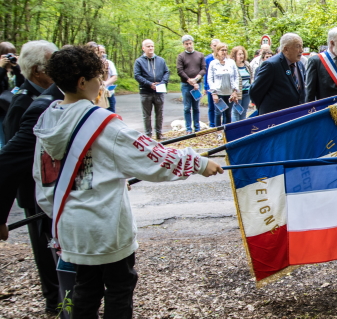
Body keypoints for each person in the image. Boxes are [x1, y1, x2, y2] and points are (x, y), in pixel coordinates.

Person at [33, 45, 223, 318]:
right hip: (104, 225)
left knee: (85, 289)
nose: (102, 83)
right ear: (82, 82)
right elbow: (151, 155)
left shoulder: (48, 118)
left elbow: (44, 178)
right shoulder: (99, 121)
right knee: (119, 287)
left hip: (70, 225)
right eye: (98, 77)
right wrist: (199, 163)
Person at [0, 40, 60, 314]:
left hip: (56, 188)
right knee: (47, 252)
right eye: (53, 63)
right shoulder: (21, 103)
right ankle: (55, 304)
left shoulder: (57, 94)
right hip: (36, 192)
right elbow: (11, 163)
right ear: (37, 71)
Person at [4, 40, 57, 143]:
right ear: (36, 70)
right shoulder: (22, 104)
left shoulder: (48, 92)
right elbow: (14, 151)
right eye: (52, 66)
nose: (58, 70)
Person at [250, 33, 305, 115]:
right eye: (298, 46)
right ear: (286, 49)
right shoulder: (271, 65)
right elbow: (255, 91)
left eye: (301, 46)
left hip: (296, 116)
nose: (301, 50)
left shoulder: (299, 64)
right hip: (276, 118)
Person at [133, 39, 170, 140]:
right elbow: (137, 75)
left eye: (152, 46)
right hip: (146, 92)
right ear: (143, 48)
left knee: (159, 113)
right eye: (148, 46)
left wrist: (162, 83)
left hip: (159, 91)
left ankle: (159, 133)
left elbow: (167, 72)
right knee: (147, 115)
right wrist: (149, 84)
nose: (150, 48)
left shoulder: (161, 60)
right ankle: (148, 135)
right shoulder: (139, 61)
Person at [175, 35, 206, 134]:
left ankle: (197, 127)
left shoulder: (200, 55)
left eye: (190, 43)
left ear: (193, 43)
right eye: (186, 44)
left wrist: (196, 79)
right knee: (187, 107)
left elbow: (203, 69)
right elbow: (180, 70)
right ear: (183, 45)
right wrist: (189, 80)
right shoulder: (181, 56)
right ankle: (188, 128)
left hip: (197, 85)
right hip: (186, 85)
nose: (189, 45)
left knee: (196, 107)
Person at [207, 42, 239, 126]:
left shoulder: (231, 62)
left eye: (225, 50)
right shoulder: (213, 63)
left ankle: (227, 131)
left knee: (228, 113)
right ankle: (218, 132)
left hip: (229, 92)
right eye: (222, 50)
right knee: (218, 113)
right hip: (219, 92)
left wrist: (235, 91)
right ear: (217, 51)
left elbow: (236, 77)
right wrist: (214, 93)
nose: (224, 52)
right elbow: (210, 79)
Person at [231, 45, 253, 121]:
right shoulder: (232, 65)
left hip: (247, 92)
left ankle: (242, 130)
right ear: (235, 56)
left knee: (243, 112)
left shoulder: (247, 64)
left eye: (242, 54)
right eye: (239, 54)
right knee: (236, 112)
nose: (241, 56)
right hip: (237, 93)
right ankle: (235, 129)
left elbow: (251, 77)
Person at [204, 38, 221, 127]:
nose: (216, 48)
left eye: (217, 46)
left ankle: (219, 124)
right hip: (210, 86)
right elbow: (206, 74)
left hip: (221, 87)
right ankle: (212, 124)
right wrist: (205, 87)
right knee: (211, 106)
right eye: (214, 46)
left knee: (220, 106)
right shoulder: (207, 59)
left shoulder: (224, 59)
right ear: (211, 46)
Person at [97, 45, 119, 112]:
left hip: (109, 92)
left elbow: (114, 77)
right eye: (100, 52)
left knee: (111, 113)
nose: (102, 54)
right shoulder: (93, 64)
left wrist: (105, 83)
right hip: (97, 94)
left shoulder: (109, 63)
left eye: (104, 52)